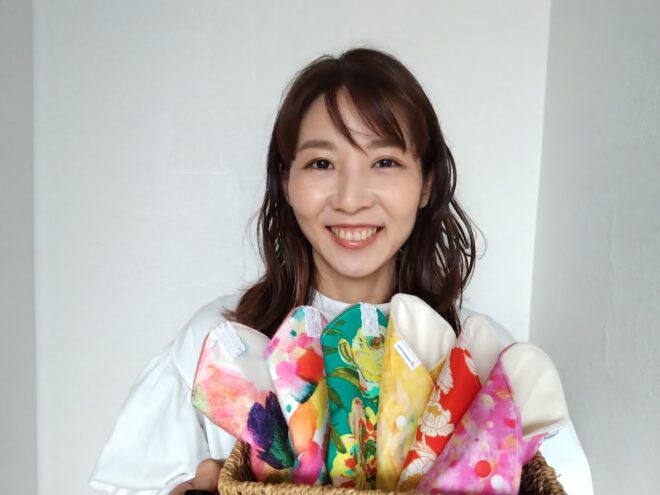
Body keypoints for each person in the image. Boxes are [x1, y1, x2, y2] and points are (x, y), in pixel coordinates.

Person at [90, 48, 593, 495]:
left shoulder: (486, 363)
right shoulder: (222, 343)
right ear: (285, 180)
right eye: (321, 164)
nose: (351, 199)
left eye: (385, 162)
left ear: (426, 183)